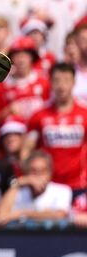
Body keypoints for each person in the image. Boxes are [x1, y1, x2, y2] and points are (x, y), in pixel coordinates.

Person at [25, 63, 87, 194]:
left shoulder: (84, 113)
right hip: (48, 187)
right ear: (51, 83)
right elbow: (26, 150)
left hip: (80, 185)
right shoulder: (39, 116)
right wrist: (31, 177)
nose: (61, 85)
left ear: (74, 82)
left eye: (66, 80)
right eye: (57, 80)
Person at [0, 150, 72, 225]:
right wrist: (19, 182)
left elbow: (60, 215)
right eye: (33, 171)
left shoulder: (62, 191)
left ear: (50, 172)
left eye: (43, 170)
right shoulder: (19, 191)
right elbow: (1, 215)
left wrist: (22, 214)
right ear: (27, 172)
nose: (38, 175)